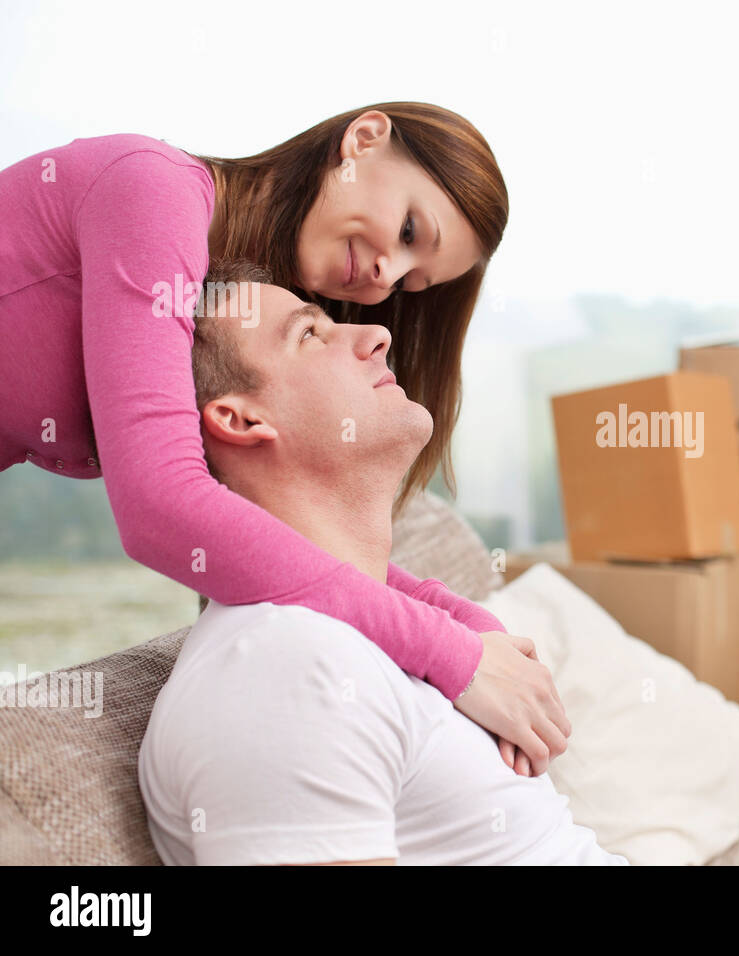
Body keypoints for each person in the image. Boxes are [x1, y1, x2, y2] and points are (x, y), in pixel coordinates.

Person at [0, 104, 565, 775]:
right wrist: (451, 655)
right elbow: (160, 507)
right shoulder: (148, 189)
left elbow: (273, 540)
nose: (387, 277)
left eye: (412, 279)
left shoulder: (227, 311)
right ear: (364, 138)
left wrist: (467, 624)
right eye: (410, 229)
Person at [139, 263, 626, 865]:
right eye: (309, 335)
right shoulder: (286, 666)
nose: (375, 335)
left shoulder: (377, 636)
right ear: (241, 420)